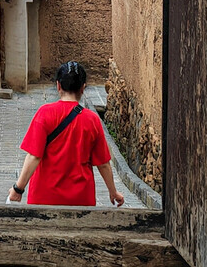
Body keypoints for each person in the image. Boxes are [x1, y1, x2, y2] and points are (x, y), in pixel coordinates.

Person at [8, 61, 125, 207]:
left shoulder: (44, 114)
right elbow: (103, 164)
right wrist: (113, 192)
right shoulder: (92, 120)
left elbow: (34, 156)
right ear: (83, 88)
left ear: (58, 86)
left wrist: (18, 188)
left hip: (44, 198)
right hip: (81, 200)